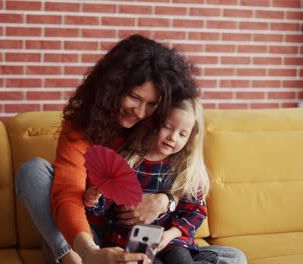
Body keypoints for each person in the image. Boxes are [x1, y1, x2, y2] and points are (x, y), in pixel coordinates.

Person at [15, 34, 245, 264]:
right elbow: (68, 194)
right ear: (113, 88)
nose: (140, 112)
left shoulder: (158, 130)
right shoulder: (81, 128)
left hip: (143, 242)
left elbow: (186, 180)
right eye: (134, 97)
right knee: (32, 171)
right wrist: (90, 252)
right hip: (87, 240)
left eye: (152, 104)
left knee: (233, 257)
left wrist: (165, 201)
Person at [84, 98, 247, 264]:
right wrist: (94, 200)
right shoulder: (127, 161)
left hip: (171, 241)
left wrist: (169, 235)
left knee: (230, 256)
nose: (173, 137)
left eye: (182, 134)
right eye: (167, 127)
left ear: (191, 137)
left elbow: (195, 212)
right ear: (154, 122)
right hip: (130, 243)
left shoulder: (185, 169)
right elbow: (101, 209)